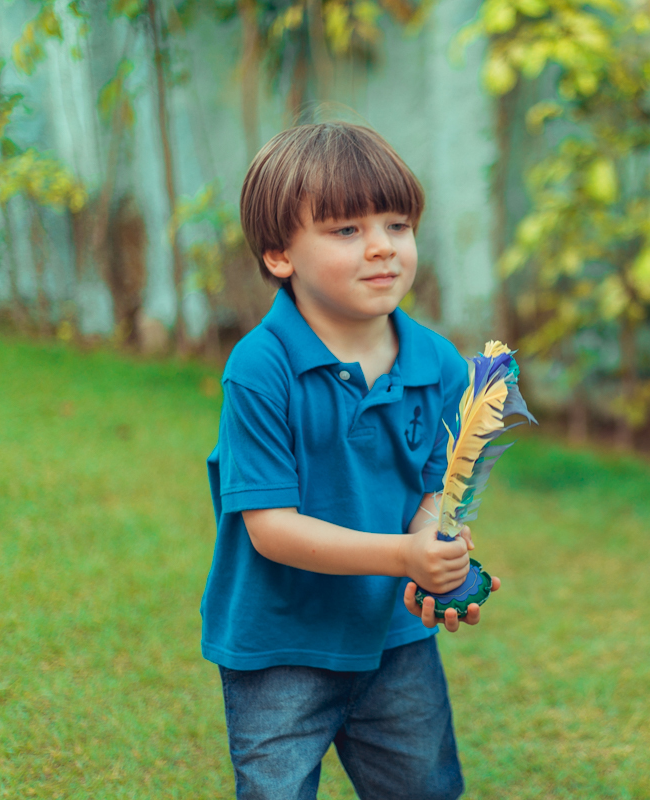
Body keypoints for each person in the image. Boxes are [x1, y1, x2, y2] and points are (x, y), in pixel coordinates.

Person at [200, 121, 497, 800]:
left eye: (397, 224)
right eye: (346, 231)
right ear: (279, 254)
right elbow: (271, 529)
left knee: (423, 789)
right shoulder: (261, 368)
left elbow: (439, 492)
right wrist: (405, 557)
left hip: (394, 639)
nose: (382, 249)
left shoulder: (441, 366)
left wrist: (438, 563)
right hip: (277, 644)